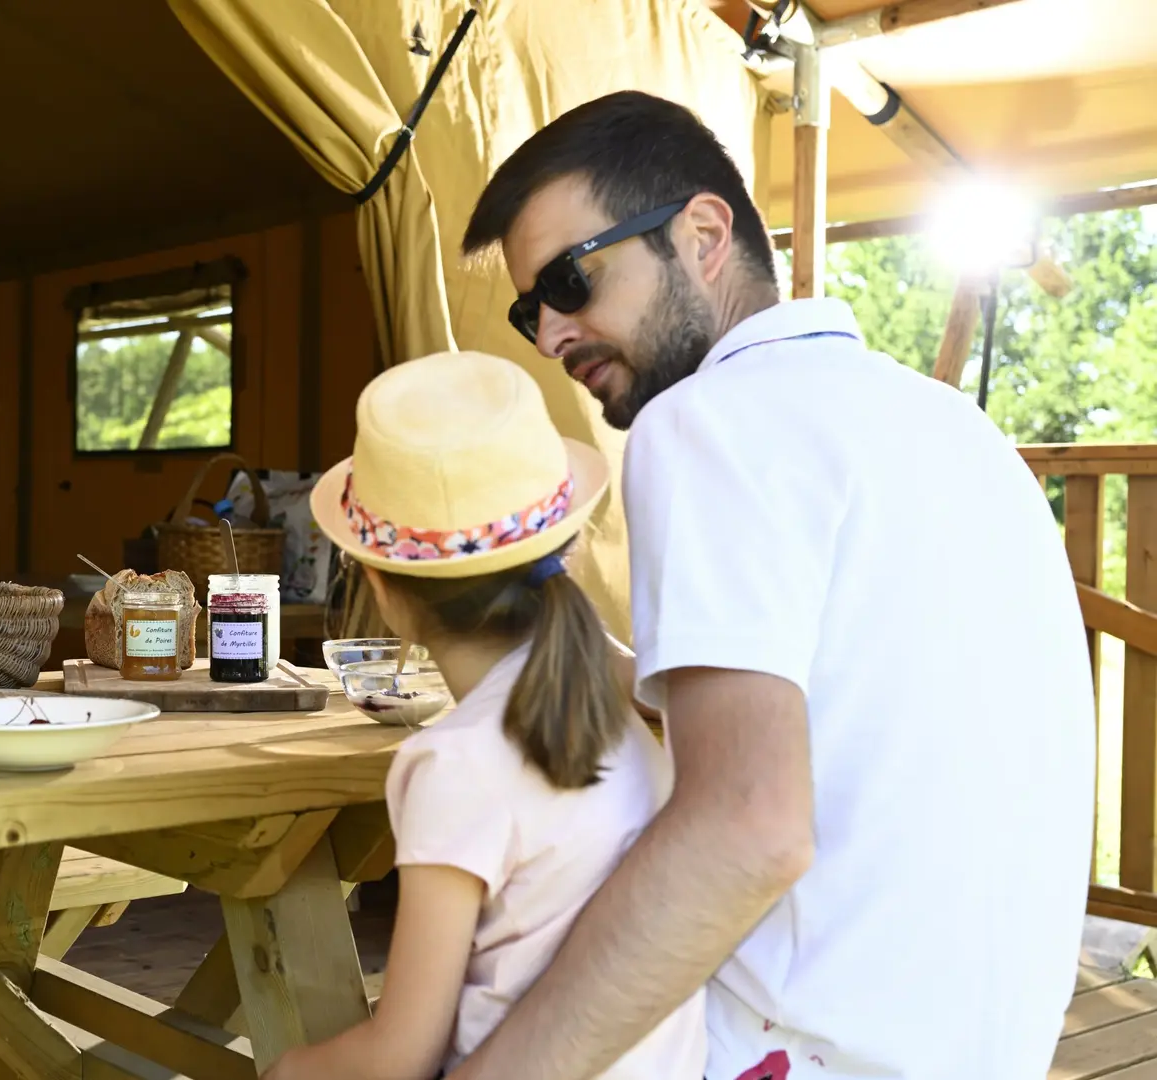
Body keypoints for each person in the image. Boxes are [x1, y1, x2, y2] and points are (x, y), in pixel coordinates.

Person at [441, 90, 1093, 1080]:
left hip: (788, 1054)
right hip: (984, 1049)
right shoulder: (953, 429)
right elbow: (850, 718)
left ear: (703, 233)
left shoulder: (707, 420)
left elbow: (748, 828)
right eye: (532, 309)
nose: (550, 337)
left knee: (455, 958)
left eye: (573, 281)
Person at [264, 351, 704, 1080]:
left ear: (380, 584)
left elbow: (398, 1056)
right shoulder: (602, 679)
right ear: (562, 542)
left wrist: (286, 1072)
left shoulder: (456, 764)